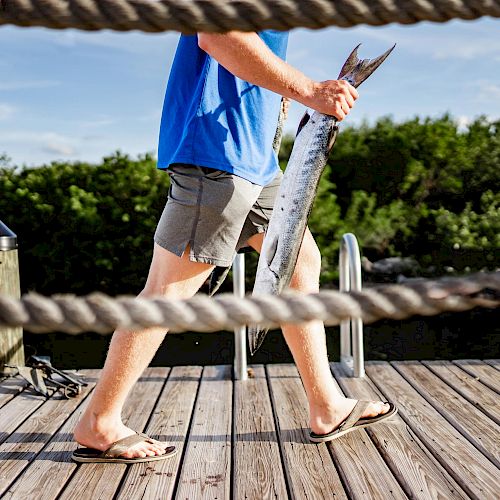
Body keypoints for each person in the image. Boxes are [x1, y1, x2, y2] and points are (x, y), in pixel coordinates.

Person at [73, 31, 396, 463]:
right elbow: (219, 36)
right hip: (216, 156)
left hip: (255, 159)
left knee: (299, 264)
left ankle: (327, 405)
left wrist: (277, 97)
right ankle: (99, 423)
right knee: (167, 293)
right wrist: (311, 91)